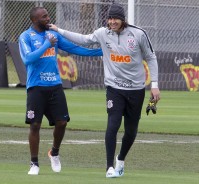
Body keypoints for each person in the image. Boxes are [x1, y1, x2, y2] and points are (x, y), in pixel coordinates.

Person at [49, 3, 160, 178]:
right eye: (109, 18)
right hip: (114, 88)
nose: (112, 22)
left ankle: (120, 160)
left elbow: (151, 57)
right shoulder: (103, 33)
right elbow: (83, 39)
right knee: (113, 124)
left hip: (136, 89)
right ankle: (109, 167)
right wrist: (59, 30)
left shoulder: (138, 34)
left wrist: (154, 84)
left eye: (115, 18)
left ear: (122, 19)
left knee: (131, 131)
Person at [18, 7, 102, 175]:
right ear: (34, 20)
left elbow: (74, 48)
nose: (48, 18)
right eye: (44, 16)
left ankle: (54, 153)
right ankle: (34, 163)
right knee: (35, 125)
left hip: (55, 85)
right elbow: (28, 59)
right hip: (36, 87)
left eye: (48, 15)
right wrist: (46, 45)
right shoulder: (26, 36)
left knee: (62, 122)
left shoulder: (54, 34)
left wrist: (101, 51)